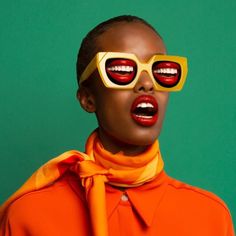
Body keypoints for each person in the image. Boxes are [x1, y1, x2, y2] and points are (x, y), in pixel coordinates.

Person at [0, 15, 234, 236]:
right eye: (122, 70)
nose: (146, 84)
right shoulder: (27, 216)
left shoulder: (210, 218)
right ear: (88, 99)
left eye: (161, 71)